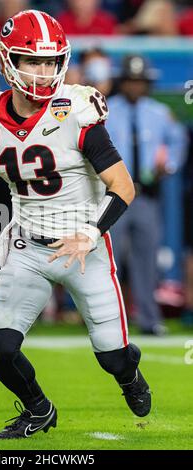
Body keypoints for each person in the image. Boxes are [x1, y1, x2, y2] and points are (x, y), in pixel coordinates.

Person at [0, 10, 151, 439]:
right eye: (32, 61)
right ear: (6, 62)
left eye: (51, 61)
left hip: (84, 244)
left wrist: (90, 232)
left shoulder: (77, 108)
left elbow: (124, 186)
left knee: (112, 357)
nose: (43, 71)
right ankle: (38, 409)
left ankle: (129, 375)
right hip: (26, 245)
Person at [106, 54, 186, 335]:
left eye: (139, 81)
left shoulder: (159, 113)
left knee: (146, 259)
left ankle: (149, 319)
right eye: (130, 81)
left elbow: (177, 142)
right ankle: (109, 321)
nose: (135, 87)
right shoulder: (107, 111)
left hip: (147, 194)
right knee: (108, 259)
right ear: (122, 82)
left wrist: (170, 164)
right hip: (114, 194)